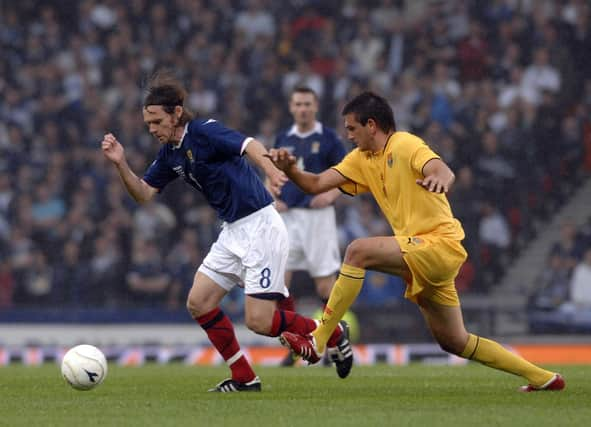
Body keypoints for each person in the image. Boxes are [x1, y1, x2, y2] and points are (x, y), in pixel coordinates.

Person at [269, 91, 565, 392]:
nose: (348, 135)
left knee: (357, 251)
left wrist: (439, 180)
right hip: (417, 255)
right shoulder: (361, 159)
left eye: (352, 128)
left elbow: (442, 170)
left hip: (438, 245)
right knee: (454, 341)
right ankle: (544, 378)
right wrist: (290, 169)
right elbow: (316, 184)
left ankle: (319, 341)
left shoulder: (405, 144)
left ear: (371, 125)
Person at [101, 71, 349, 392]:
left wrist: (272, 172)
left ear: (177, 113)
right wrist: (121, 163)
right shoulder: (170, 154)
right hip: (232, 231)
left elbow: (249, 145)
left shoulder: (203, 131)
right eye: (148, 124)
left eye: (157, 122)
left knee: (259, 321)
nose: (152, 130)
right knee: (199, 302)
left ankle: (332, 332)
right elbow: (144, 194)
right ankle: (245, 378)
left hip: (260, 225)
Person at [273, 86, 350, 366]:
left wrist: (330, 195)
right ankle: (294, 347)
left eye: (307, 103)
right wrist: (274, 196)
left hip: (318, 219)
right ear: (292, 107)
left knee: (324, 286)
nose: (303, 108)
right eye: (298, 104)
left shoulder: (328, 138)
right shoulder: (283, 138)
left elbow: (348, 173)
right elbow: (273, 175)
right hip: (288, 218)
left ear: (315, 106)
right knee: (281, 285)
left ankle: (332, 343)